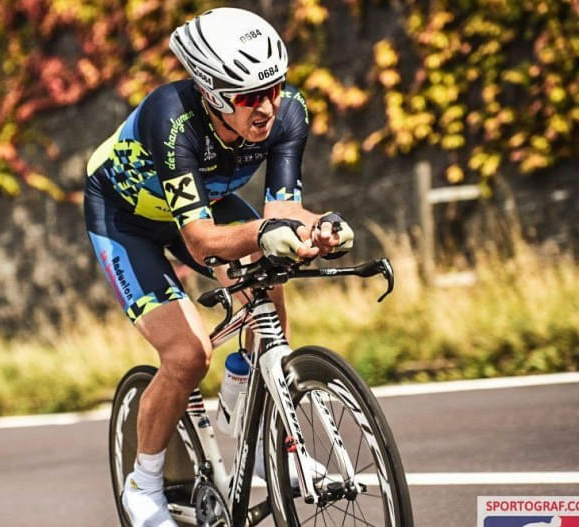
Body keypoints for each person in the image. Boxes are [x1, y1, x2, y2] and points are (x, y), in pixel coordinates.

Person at [83, 7, 354, 526]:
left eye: (275, 87)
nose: (268, 107)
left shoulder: (288, 113)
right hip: (128, 219)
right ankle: (143, 484)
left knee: (270, 273)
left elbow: (282, 211)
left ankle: (247, 390)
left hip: (204, 202)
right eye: (251, 96)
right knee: (187, 355)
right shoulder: (172, 117)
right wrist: (267, 233)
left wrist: (319, 225)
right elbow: (199, 238)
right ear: (212, 94)